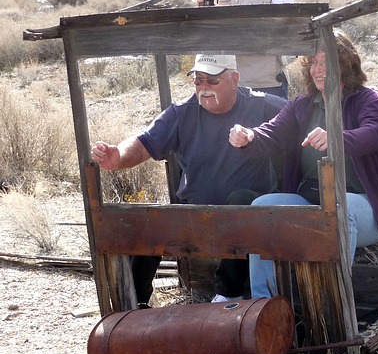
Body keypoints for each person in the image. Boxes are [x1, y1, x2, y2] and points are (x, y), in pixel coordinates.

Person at [91, 54, 286, 307]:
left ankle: (229, 292)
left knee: (241, 203)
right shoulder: (181, 113)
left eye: (212, 80)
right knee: (146, 224)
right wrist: (117, 156)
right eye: (198, 80)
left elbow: (300, 117)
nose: (204, 88)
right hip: (195, 216)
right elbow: (142, 145)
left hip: (250, 219)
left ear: (235, 79)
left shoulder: (262, 105)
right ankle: (133, 305)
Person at [229, 33, 378, 299]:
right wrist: (250, 136)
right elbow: (271, 134)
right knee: (261, 209)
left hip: (363, 207)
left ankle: (334, 302)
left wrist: (335, 138)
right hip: (310, 201)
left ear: (345, 64)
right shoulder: (302, 105)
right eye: (313, 62)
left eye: (326, 61)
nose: (318, 69)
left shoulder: (367, 99)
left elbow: (374, 133)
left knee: (338, 211)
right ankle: (264, 305)